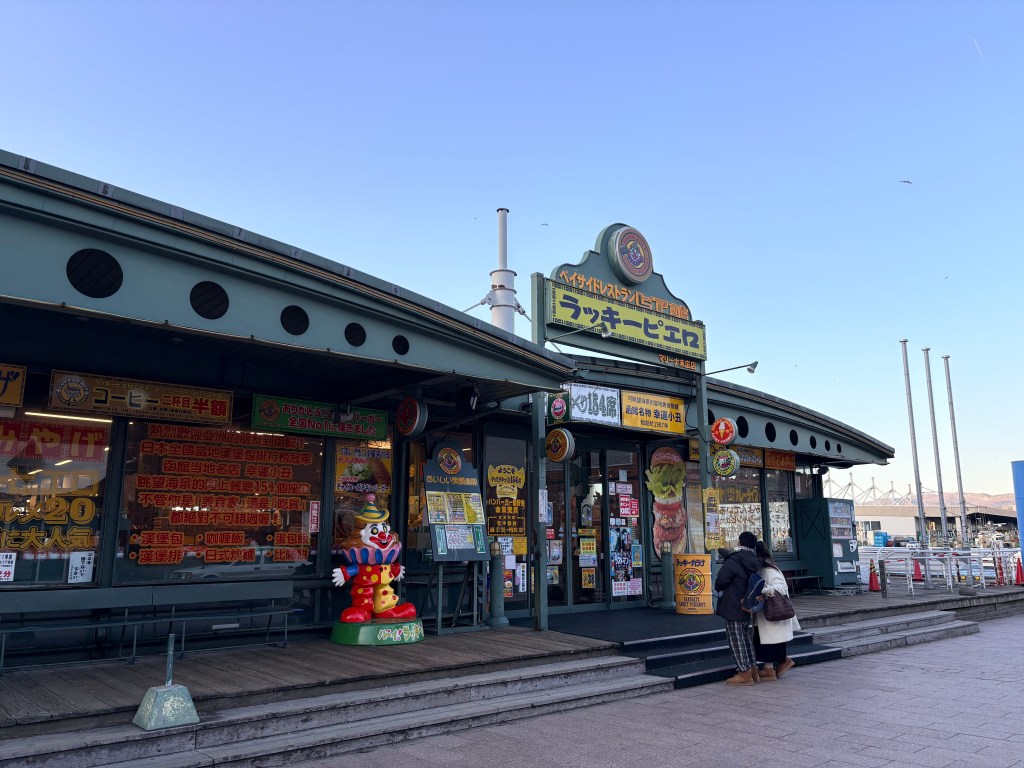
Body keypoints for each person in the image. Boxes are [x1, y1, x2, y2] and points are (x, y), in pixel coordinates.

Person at [713, 530, 762, 685]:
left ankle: (744, 672)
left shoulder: (734, 559)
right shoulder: (754, 559)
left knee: (736, 639)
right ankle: (753, 669)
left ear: (740, 542)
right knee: (747, 638)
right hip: (747, 603)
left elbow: (722, 579)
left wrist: (718, 589)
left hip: (733, 602)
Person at [752, 540, 800, 680]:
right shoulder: (768, 568)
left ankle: (769, 669)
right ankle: (776, 665)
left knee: (767, 640)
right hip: (770, 614)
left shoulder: (768, 570)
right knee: (768, 640)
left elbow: (781, 588)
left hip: (772, 613)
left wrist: (764, 590)